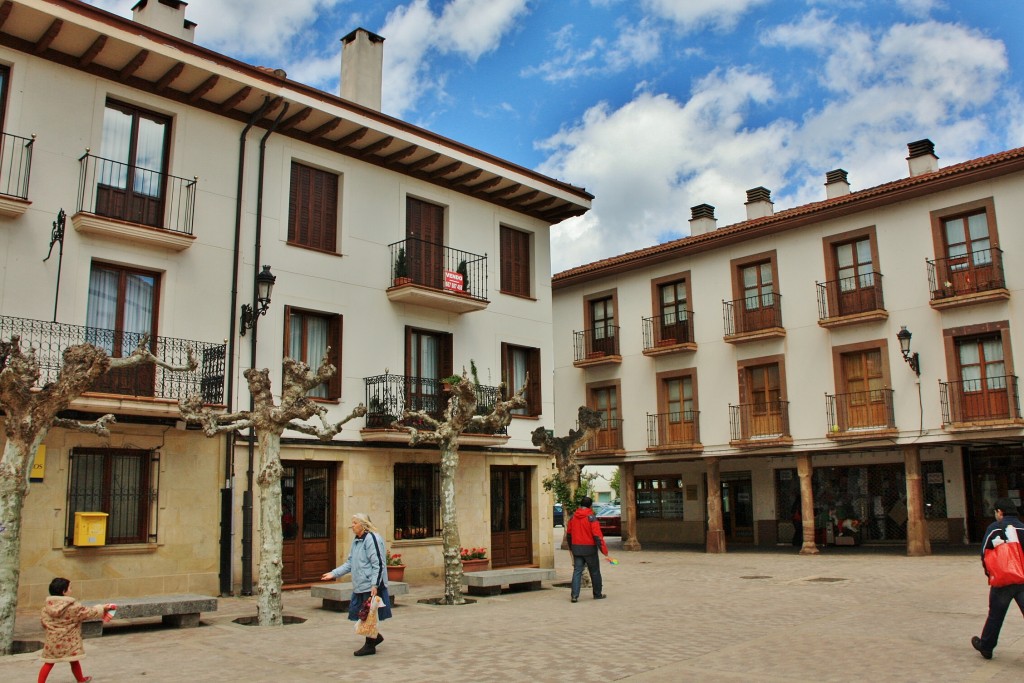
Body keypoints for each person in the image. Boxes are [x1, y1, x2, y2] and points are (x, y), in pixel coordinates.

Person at [320, 513, 392, 656]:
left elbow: (378, 563)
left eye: (354, 523)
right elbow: (350, 563)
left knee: (369, 616)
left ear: (363, 525)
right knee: (362, 613)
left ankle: (370, 645)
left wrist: (375, 585)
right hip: (360, 584)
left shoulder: (372, 539)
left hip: (370, 585)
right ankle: (375, 637)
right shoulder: (357, 541)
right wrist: (334, 574)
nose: (352, 526)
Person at [972, 497, 1024, 660]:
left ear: (1000, 512)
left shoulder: (994, 528)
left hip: (1002, 581)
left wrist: (991, 575)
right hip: (1023, 580)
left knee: (996, 615)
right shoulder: (1022, 528)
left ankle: (986, 647)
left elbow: (984, 554)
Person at [38, 577, 115, 683]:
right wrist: (102, 607)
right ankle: (80, 679)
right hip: (70, 641)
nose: (71, 590)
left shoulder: (46, 608)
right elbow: (89, 612)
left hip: (53, 641)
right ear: (64, 591)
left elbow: (44, 623)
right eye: (70, 588)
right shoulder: (73, 608)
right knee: (74, 660)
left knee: (48, 663)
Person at [566, 496, 609, 603]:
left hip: (576, 548)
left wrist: (571, 548)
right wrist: (604, 551)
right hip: (590, 549)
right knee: (594, 572)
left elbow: (569, 535)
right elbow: (597, 536)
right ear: (590, 505)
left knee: (577, 571)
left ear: (580, 505)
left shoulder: (573, 518)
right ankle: (597, 594)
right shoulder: (591, 518)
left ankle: (574, 596)